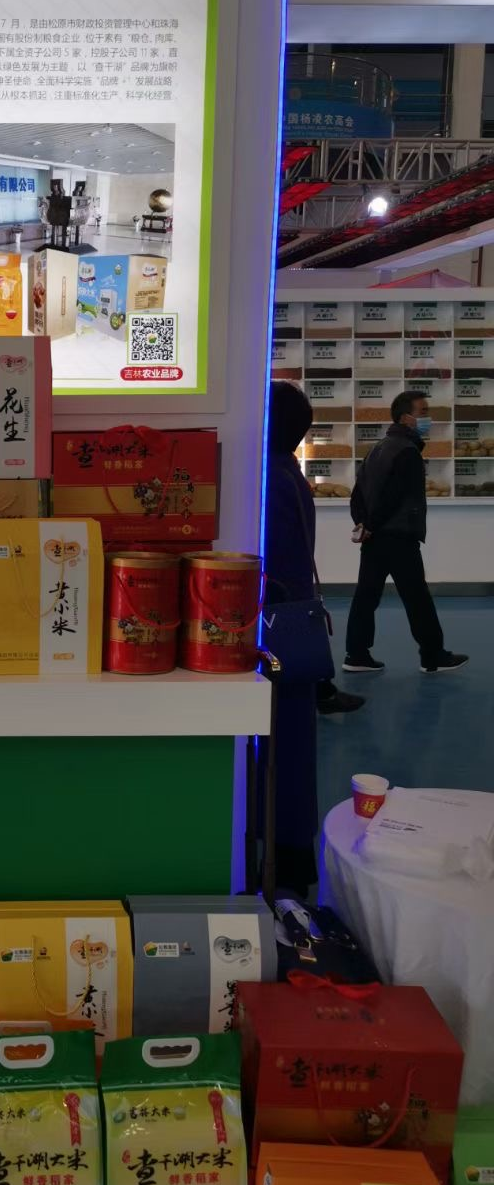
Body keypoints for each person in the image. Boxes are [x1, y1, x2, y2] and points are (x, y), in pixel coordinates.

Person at [345, 390, 467, 675]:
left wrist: (363, 524)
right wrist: (372, 524)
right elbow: (395, 496)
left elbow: (357, 493)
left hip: (375, 538)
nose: (428, 418)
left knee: (366, 596)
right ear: (405, 418)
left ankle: (356, 654)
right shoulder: (407, 452)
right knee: (417, 597)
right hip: (399, 536)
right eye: (423, 412)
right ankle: (433, 656)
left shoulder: (377, 449)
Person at [262, 380, 325, 895]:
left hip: (276, 630)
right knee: (292, 746)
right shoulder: (287, 472)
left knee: (281, 748)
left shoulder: (267, 479)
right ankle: (292, 855)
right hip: (296, 626)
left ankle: (285, 862)